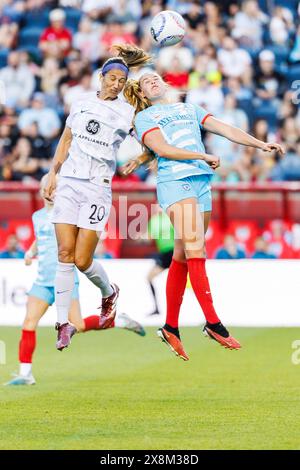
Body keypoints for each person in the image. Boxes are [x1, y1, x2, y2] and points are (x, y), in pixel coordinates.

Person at [123, 72, 284, 360]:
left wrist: (260, 145)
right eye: (146, 82)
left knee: (184, 254)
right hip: (175, 182)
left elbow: (226, 128)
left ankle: (170, 327)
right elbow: (162, 149)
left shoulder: (189, 108)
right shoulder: (145, 117)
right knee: (196, 248)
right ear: (144, 95)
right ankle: (213, 323)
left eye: (155, 77)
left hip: (201, 182)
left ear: (166, 83)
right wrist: (201, 156)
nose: (153, 81)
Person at [43, 44, 152, 351]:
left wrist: (141, 160)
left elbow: (153, 143)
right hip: (68, 184)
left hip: (97, 187)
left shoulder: (128, 112)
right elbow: (66, 140)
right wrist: (54, 173)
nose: (116, 83)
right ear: (101, 78)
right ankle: (62, 323)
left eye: (121, 80)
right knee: (64, 253)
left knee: (81, 259)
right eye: (112, 78)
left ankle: (109, 291)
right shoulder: (79, 103)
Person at [5, 175, 146, 386]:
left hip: (66, 280)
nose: (52, 192)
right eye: (49, 188)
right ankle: (26, 373)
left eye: (56, 188)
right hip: (43, 281)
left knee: (77, 325)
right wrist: (30, 252)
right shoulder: (37, 216)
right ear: (43, 190)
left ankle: (118, 321)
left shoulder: (68, 215)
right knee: (28, 322)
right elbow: (40, 237)